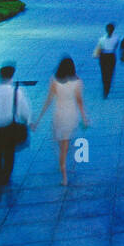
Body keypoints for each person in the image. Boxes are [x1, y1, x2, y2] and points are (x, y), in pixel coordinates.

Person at [32, 57, 89, 186]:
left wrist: (38, 119)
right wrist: (84, 117)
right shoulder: (78, 82)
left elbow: (48, 100)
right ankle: (63, 167)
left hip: (58, 115)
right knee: (66, 143)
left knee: (59, 143)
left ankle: (63, 171)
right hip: (71, 115)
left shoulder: (54, 80)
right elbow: (79, 101)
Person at [0, 64, 31, 202]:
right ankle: (6, 178)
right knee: (8, 156)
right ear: (11, 77)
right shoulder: (17, 92)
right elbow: (25, 112)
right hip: (10, 130)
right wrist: (27, 122)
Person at [94, 23, 119, 98]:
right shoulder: (115, 38)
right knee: (107, 72)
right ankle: (106, 87)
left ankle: (106, 88)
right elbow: (115, 46)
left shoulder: (102, 39)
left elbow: (99, 47)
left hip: (107, 55)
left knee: (107, 73)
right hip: (108, 55)